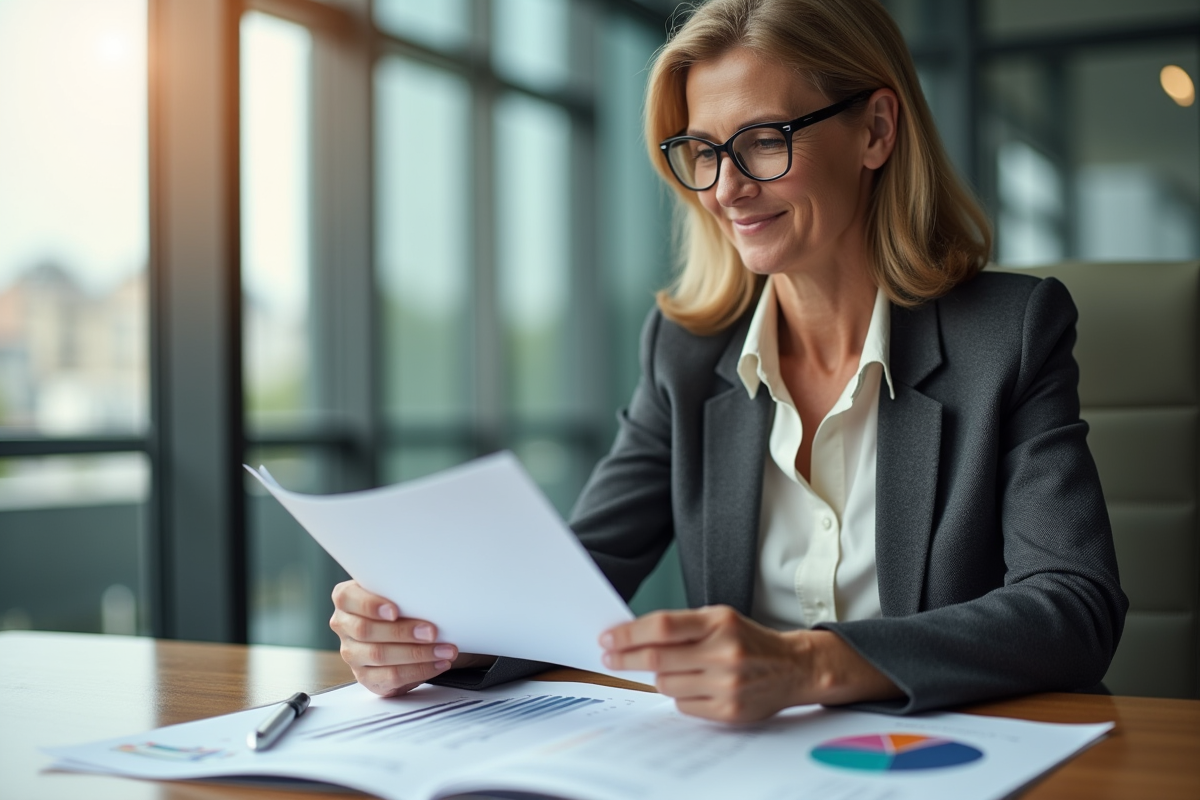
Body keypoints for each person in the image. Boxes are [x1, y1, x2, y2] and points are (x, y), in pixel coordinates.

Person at [330, 0, 1127, 722]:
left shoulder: (1011, 333)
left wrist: (809, 662)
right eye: (703, 152)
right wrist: (434, 638)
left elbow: (1072, 604)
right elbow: (576, 581)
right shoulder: (686, 353)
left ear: (877, 131)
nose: (726, 189)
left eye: (763, 141)